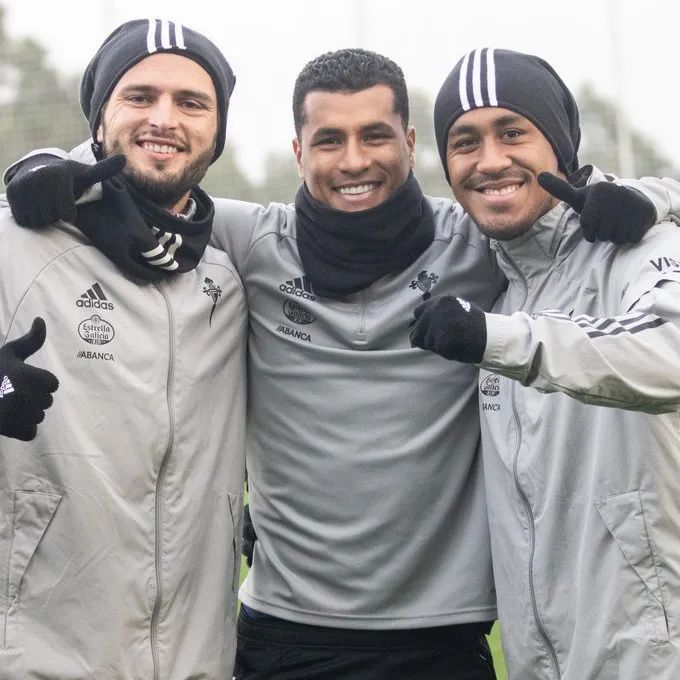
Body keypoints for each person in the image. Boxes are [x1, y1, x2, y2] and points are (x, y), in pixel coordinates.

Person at [5, 47, 678, 680]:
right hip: (283, 629)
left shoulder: (475, 245)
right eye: (329, 140)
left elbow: (551, 214)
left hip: (444, 636)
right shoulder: (251, 241)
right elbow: (149, 191)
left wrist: (650, 196)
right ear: (299, 152)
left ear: (409, 145)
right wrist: (45, 168)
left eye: (375, 136)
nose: (354, 160)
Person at [410, 47, 680, 679]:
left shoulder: (640, 249)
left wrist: (498, 340)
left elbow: (671, 352)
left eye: (513, 133)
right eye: (465, 142)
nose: (489, 160)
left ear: (559, 147)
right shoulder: (490, 280)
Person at [0, 18, 247, 679]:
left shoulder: (229, 277)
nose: (164, 119)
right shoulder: (15, 240)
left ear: (217, 129)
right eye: (140, 96)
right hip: (38, 661)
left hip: (200, 662)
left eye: (191, 102)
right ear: (100, 114)